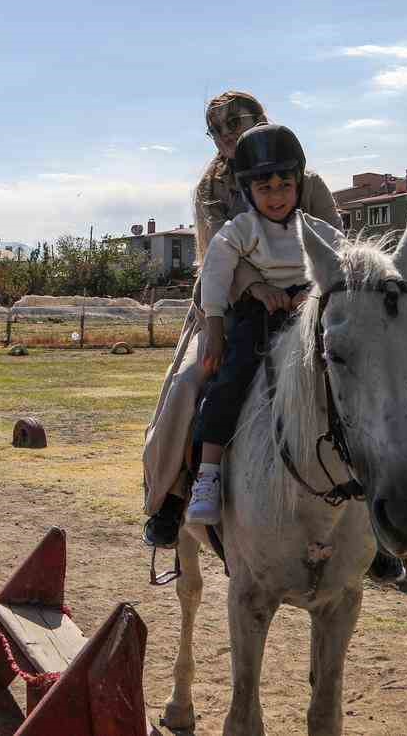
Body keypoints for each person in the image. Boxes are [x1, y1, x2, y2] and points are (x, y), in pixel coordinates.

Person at [141, 91, 342, 545]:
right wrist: (257, 289)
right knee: (189, 384)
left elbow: (334, 239)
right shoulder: (210, 190)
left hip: (309, 299)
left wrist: (310, 291)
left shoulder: (306, 180)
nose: (225, 135)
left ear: (260, 119)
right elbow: (217, 255)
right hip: (231, 305)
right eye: (215, 129)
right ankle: (170, 496)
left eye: (234, 123)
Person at [185, 124, 341, 524]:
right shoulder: (241, 230)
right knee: (230, 382)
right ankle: (208, 474)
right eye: (264, 188)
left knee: (350, 381)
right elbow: (216, 272)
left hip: (309, 316)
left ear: (298, 185)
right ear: (248, 190)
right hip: (259, 318)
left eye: (284, 186)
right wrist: (215, 328)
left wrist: (315, 292)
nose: (276, 196)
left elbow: (341, 262)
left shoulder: (316, 229)